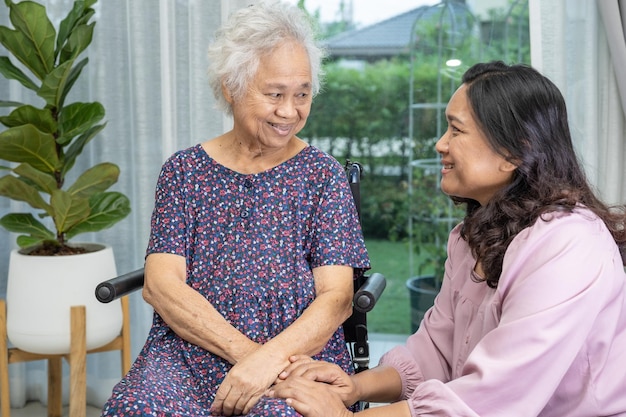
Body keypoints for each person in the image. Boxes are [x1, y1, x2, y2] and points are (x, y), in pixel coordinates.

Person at [269, 61, 626, 417]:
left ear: (515, 152)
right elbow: (435, 350)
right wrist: (355, 386)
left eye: (456, 130)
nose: (441, 144)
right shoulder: (470, 237)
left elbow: (495, 397)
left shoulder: (568, 245)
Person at [100, 2, 369, 416]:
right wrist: (249, 357)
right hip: (189, 354)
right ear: (231, 87)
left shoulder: (322, 176)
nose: (290, 111)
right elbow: (161, 285)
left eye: (302, 94)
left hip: (295, 356)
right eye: (275, 94)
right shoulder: (184, 171)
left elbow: (336, 299)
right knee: (134, 406)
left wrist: (270, 362)